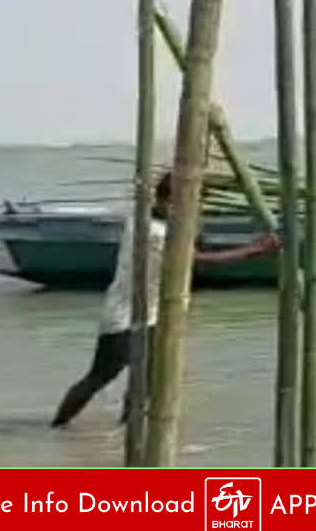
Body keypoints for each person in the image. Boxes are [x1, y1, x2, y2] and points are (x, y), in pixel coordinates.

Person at [49, 172, 281, 428]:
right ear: (162, 201)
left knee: (148, 378)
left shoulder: (155, 223)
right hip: (125, 315)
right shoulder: (152, 230)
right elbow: (196, 260)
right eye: (176, 204)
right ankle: (59, 426)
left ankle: (130, 427)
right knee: (102, 375)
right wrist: (254, 250)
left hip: (153, 312)